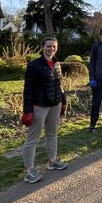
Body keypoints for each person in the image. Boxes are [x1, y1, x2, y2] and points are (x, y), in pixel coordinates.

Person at [21, 37, 68, 184]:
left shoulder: (57, 64)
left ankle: (53, 161)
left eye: (54, 46)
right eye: (48, 46)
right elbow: (28, 90)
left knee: (52, 134)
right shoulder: (34, 65)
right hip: (39, 106)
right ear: (42, 47)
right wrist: (27, 110)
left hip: (55, 104)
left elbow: (59, 85)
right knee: (33, 139)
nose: (51, 49)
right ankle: (29, 171)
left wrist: (63, 101)